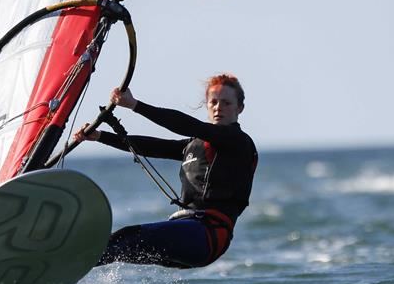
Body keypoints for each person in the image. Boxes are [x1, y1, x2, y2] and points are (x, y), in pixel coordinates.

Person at [74, 74, 257, 268]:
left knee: (125, 238)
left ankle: (68, 263)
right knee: (118, 247)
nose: (218, 107)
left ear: (240, 108)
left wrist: (135, 105)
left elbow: (187, 125)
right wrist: (100, 136)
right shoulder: (194, 145)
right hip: (187, 233)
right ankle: (64, 276)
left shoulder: (238, 141)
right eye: (213, 102)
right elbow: (154, 146)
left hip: (207, 235)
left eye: (226, 103)